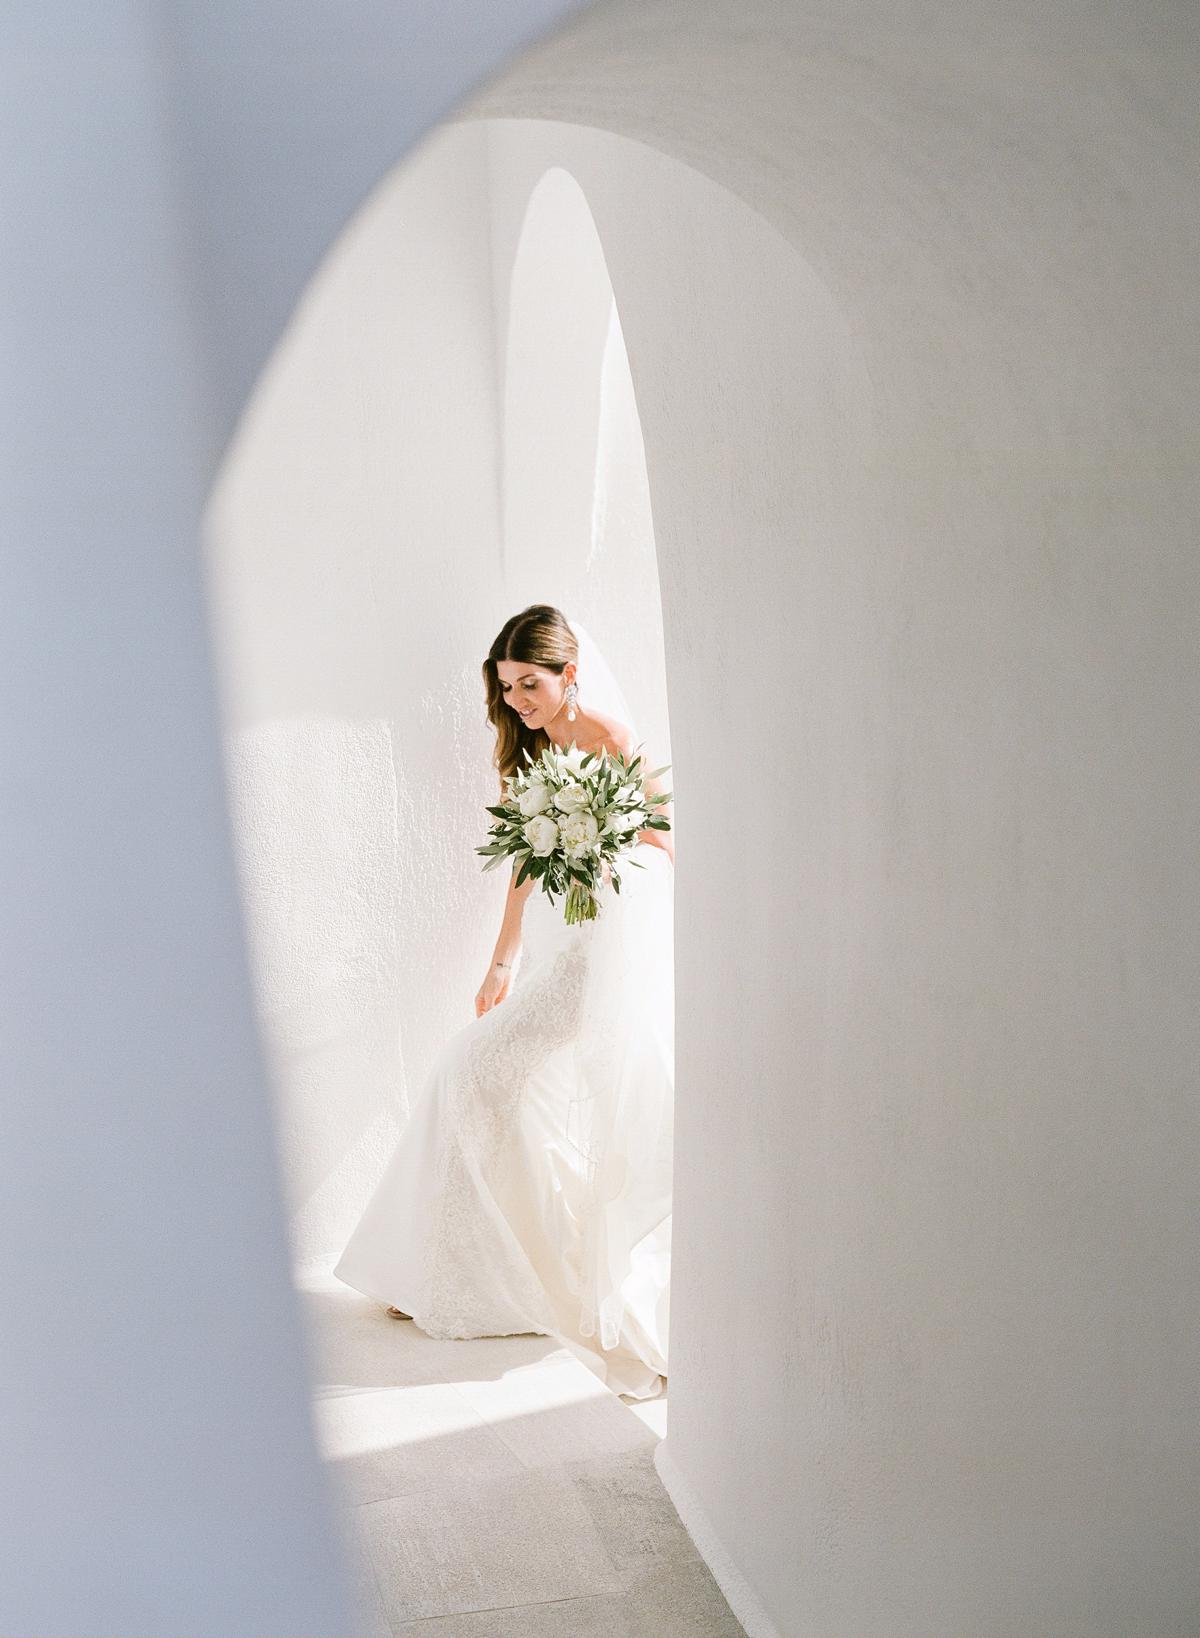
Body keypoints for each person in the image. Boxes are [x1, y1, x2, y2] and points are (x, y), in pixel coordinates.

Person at [332, 604, 675, 1400]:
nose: (516, 699)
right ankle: (450, 1269)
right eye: (506, 685)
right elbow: (524, 863)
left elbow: (663, 842)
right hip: (566, 950)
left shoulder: (612, 740)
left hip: (608, 953)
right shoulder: (527, 749)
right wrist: (503, 961)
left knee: (473, 1072)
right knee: (480, 1080)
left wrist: (601, 842)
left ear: (570, 674)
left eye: (530, 683)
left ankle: (466, 1275)